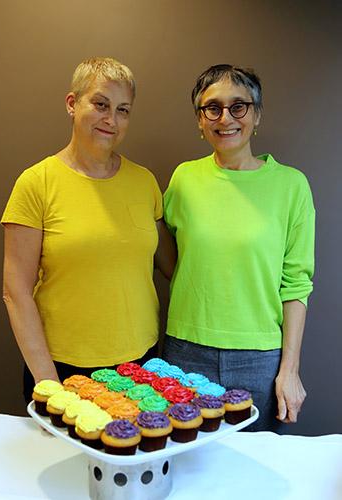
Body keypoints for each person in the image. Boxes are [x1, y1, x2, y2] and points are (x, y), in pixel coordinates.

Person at [2, 57, 175, 404]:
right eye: (100, 104)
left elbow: (175, 269)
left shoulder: (144, 182)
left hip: (141, 366)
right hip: (64, 370)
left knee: (138, 458)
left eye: (123, 110)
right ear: (72, 103)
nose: (112, 120)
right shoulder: (37, 183)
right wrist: (48, 383)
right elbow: (15, 291)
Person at [162, 64, 315, 432]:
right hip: (184, 351)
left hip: (259, 359)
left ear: (257, 114)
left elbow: (296, 285)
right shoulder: (184, 179)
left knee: (251, 474)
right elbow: (164, 252)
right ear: (200, 121)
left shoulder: (291, 186)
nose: (225, 118)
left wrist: (289, 371)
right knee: (186, 470)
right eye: (212, 108)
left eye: (238, 106)